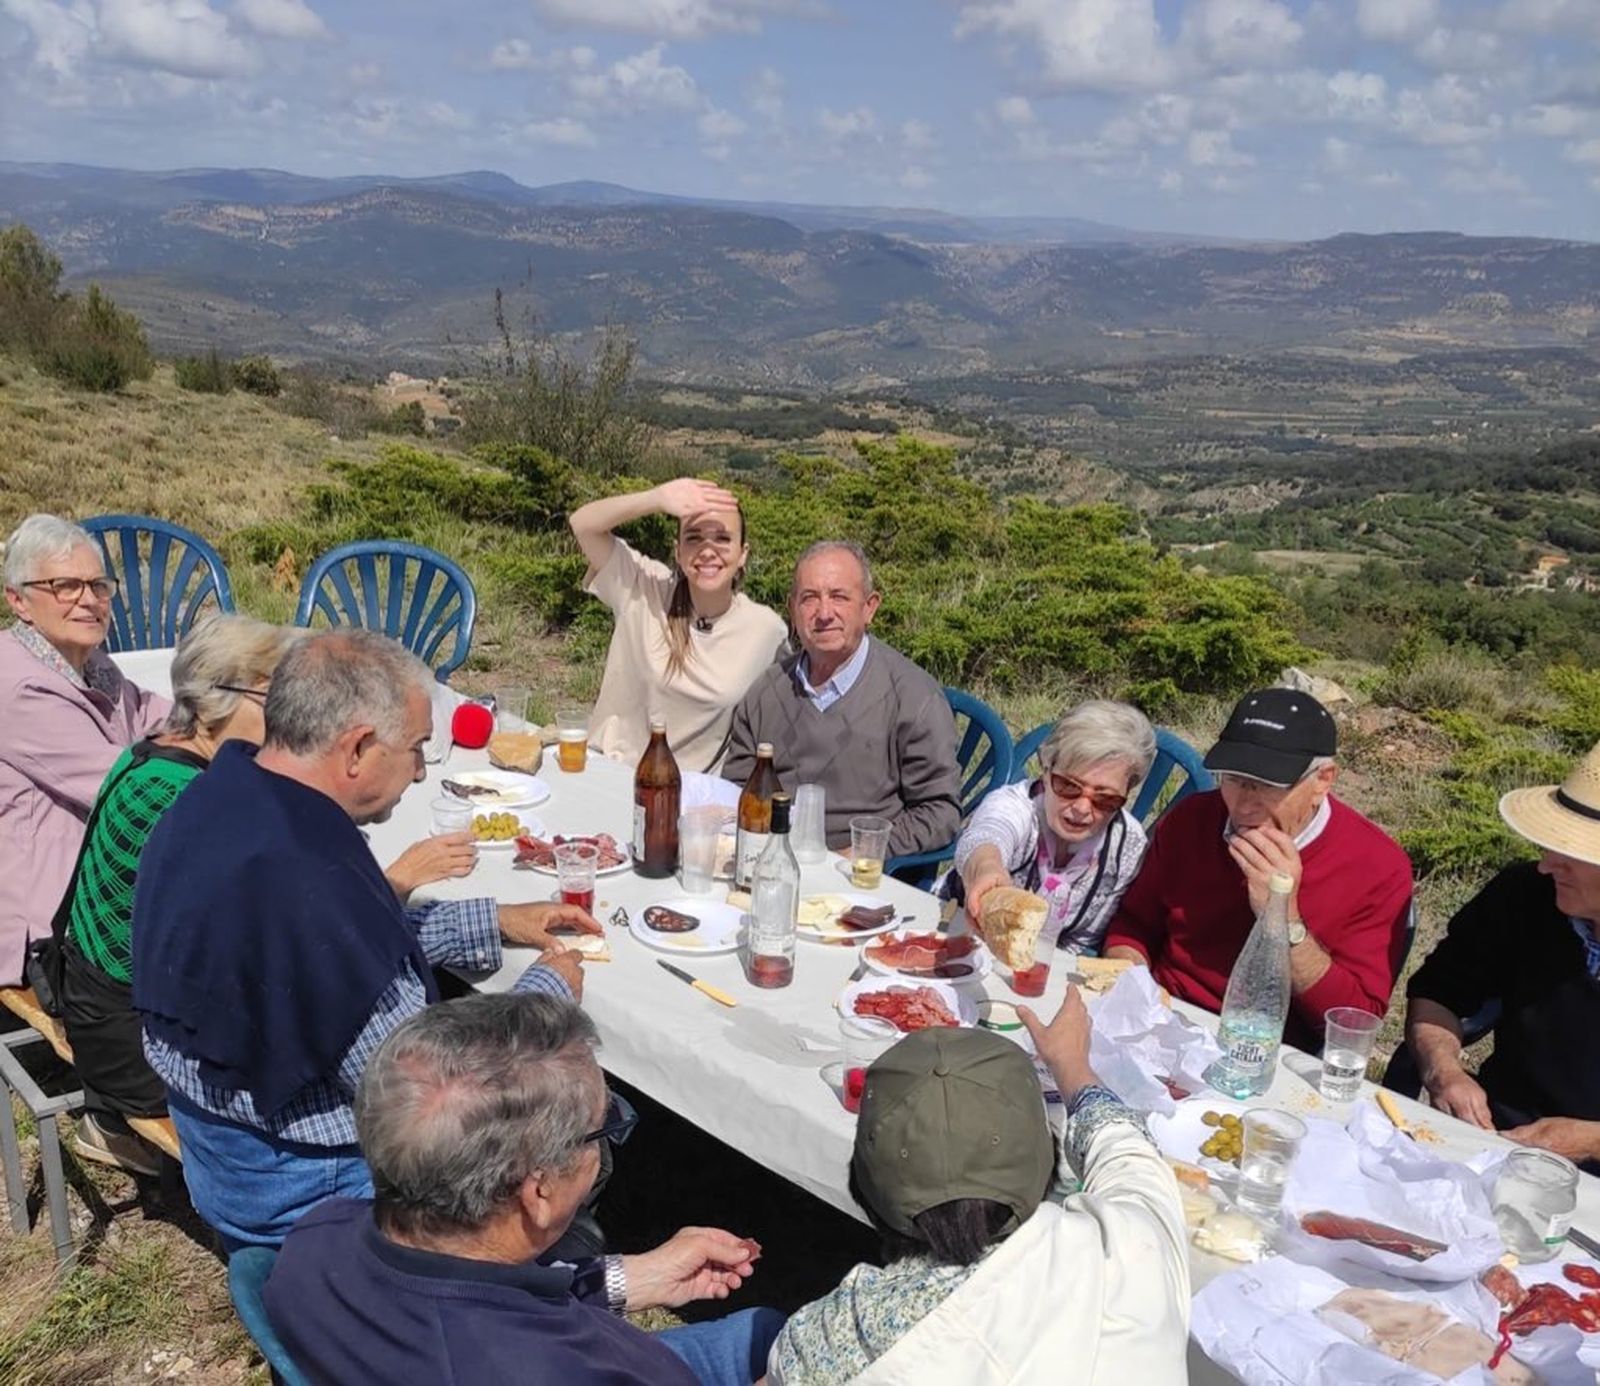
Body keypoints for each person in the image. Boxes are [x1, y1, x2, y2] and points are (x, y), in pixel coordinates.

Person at [132, 628, 601, 1250]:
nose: (418, 772)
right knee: (582, 1144)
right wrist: (547, 994)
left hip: (216, 1150)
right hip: (303, 1186)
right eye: (415, 749)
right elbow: (428, 1097)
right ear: (356, 748)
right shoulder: (310, 877)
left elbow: (339, 948)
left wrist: (493, 921)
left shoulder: (215, 799)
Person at [264, 992, 784, 1386]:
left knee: (765, 1328)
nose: (604, 1146)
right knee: (780, 1339)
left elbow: (490, 1291)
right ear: (537, 1192)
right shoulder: (549, 1369)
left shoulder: (316, 1238)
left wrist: (637, 1277)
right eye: (602, 1130)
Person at [767, 989, 1189, 1384]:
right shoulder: (1134, 1240)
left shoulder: (841, 1335)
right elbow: (1123, 1145)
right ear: (1049, 1161)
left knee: (747, 1332)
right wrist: (1068, 1061)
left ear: (866, 1189)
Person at [58, 615, 301, 1176]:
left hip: (93, 1001)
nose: (292, 712)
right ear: (220, 699)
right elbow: (271, 934)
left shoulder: (148, 753)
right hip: (132, 1048)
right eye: (276, 695)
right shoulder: (192, 800)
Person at [1102, 687, 1413, 1052]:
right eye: (1233, 779)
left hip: (1269, 1051)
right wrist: (1133, 986)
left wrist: (1284, 920)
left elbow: (1352, 1021)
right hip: (1162, 1019)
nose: (1244, 805)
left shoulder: (1377, 866)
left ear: (1322, 781)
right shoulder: (1192, 820)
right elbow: (1135, 924)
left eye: (1267, 785)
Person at [1404, 741, 1600, 1167]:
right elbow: (1439, 992)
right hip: (1494, 1144)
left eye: (1572, 852)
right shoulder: (1525, 894)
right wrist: (1443, 1069)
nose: (1547, 864)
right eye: (1550, 843)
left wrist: (1589, 1140)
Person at [0, 513, 169, 988]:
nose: (89, 600)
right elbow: (122, 787)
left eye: (99, 585)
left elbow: (161, 717)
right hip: (48, 930)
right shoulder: (17, 685)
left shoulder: (94, 667)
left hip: (100, 893)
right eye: (65, 586)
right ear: (19, 600)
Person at [722, 541, 960, 858]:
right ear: (792, 609)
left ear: (869, 607)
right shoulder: (767, 692)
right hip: (770, 860)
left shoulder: (914, 698)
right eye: (809, 598)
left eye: (839, 597)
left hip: (861, 877)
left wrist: (861, 852)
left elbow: (940, 812)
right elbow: (736, 789)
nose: (823, 613)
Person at [570, 478, 787, 772]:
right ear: (678, 550)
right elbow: (583, 524)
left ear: (743, 553)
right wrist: (656, 498)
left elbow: (782, 716)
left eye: (723, 539)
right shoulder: (644, 588)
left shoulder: (766, 630)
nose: (708, 550)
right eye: (694, 538)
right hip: (610, 774)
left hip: (691, 799)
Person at [955, 700, 1155, 956]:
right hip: (961, 938)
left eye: (1105, 799)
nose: (1082, 808)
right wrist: (986, 868)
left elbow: (1083, 944)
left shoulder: (1127, 846)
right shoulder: (1016, 805)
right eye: (1069, 787)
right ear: (1046, 771)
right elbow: (989, 833)